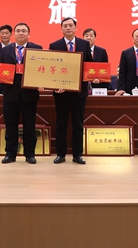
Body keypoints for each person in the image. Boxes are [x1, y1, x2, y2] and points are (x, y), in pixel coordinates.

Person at [0, 22, 42, 164]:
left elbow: (41, 69)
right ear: (14, 34)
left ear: (29, 34)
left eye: (24, 31)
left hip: (30, 94)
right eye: (18, 31)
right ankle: (10, 154)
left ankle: (30, 154)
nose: (21, 33)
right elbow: (1, 67)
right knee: (10, 126)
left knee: (29, 126)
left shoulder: (37, 49)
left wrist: (42, 82)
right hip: (10, 94)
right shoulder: (6, 49)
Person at [49, 17, 94, 165]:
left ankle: (77, 154)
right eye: (65, 26)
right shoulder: (54, 45)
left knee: (78, 124)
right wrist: (54, 85)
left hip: (79, 91)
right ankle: (60, 154)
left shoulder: (84, 44)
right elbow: (51, 68)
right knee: (61, 124)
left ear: (76, 28)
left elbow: (89, 64)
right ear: (61, 29)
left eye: (70, 25)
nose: (68, 28)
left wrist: (94, 76)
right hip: (61, 92)